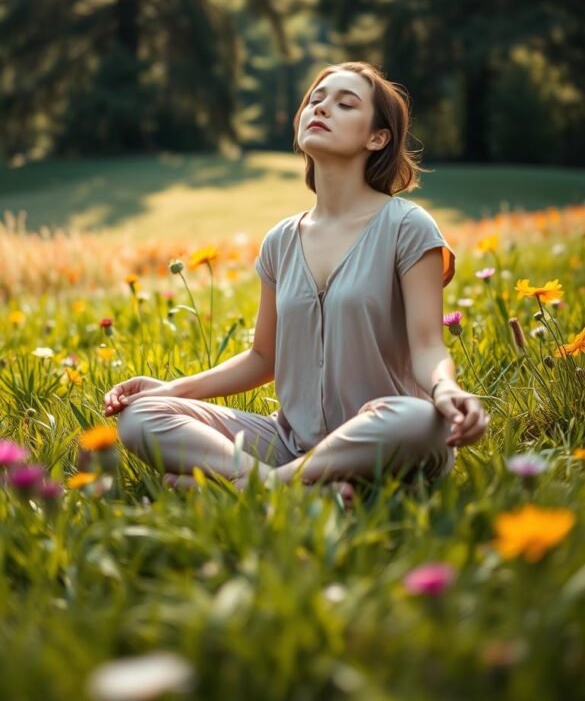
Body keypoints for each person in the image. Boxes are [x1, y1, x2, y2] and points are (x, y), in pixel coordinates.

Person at [104, 61, 490, 506]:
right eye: (315, 100)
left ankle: (252, 487)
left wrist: (447, 390)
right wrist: (171, 390)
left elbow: (428, 346)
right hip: (289, 440)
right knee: (139, 417)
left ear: (377, 138)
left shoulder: (408, 226)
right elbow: (263, 357)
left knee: (420, 420)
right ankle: (294, 490)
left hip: (385, 433)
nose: (321, 108)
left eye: (345, 104)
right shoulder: (281, 241)